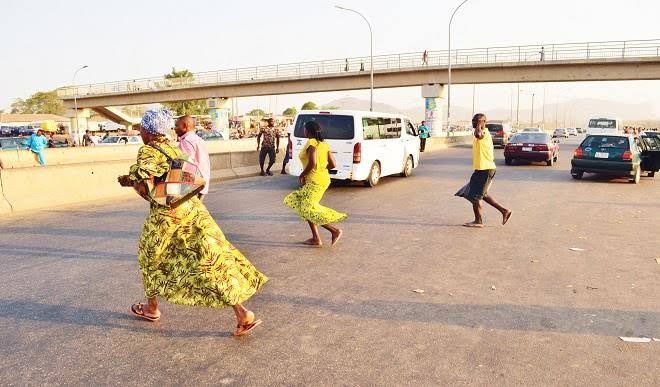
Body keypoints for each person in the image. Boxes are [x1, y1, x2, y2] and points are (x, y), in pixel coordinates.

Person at [117, 108, 267, 336]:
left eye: (141, 129)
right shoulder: (174, 146)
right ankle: (242, 313)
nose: (140, 133)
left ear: (148, 130)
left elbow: (145, 184)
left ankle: (152, 308)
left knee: (149, 257)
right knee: (209, 259)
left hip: (167, 216)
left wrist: (135, 184)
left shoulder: (148, 150)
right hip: (192, 207)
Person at [284, 121, 347, 247]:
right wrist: (321, 169)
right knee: (304, 206)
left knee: (308, 208)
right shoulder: (324, 144)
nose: (304, 131)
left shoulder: (311, 143)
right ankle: (316, 238)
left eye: (304, 129)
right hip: (322, 179)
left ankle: (334, 230)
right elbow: (333, 164)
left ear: (307, 130)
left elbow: (312, 163)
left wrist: (303, 174)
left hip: (314, 181)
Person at [455, 113, 512, 228]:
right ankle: (504, 211)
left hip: (485, 169)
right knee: (481, 194)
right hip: (481, 169)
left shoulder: (483, 133)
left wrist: (480, 125)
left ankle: (478, 221)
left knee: (475, 195)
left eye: (475, 121)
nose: (473, 123)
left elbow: (478, 134)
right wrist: (479, 125)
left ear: (482, 122)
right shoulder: (480, 133)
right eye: (473, 121)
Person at [175, 115, 211, 200]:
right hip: (202, 182)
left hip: (191, 185)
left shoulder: (186, 141)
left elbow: (184, 164)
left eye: (177, 126)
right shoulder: (198, 139)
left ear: (185, 126)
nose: (175, 128)